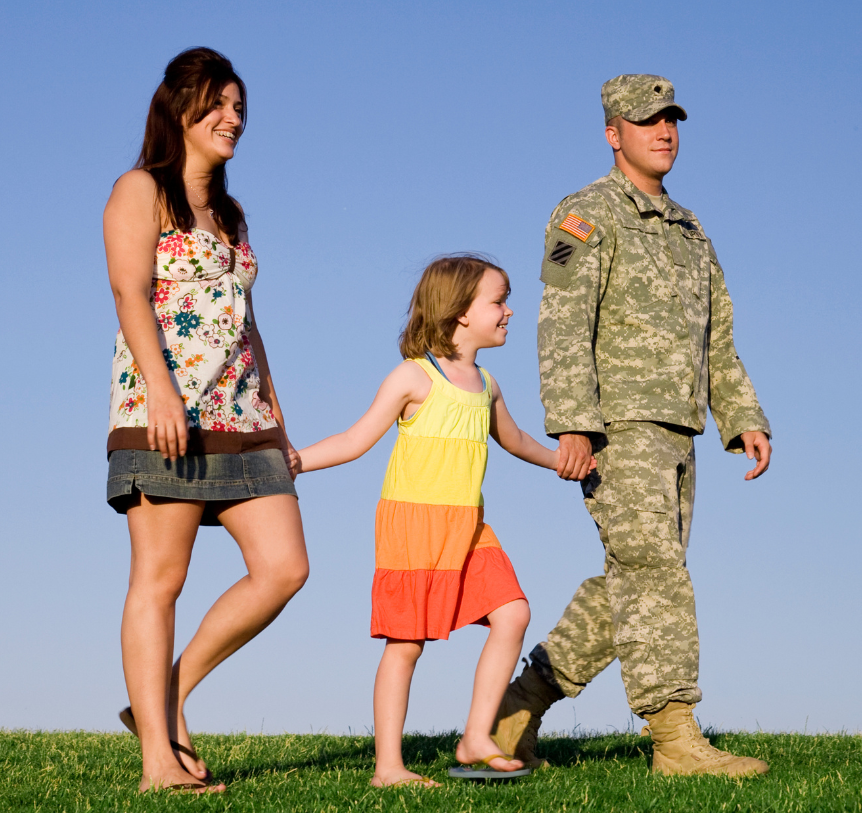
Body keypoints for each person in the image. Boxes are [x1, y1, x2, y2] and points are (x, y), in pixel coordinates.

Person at [491, 74, 774, 777]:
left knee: (638, 578)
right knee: (654, 574)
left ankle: (515, 708)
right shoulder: (583, 214)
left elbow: (719, 336)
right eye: (646, 120)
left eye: (671, 119)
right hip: (618, 424)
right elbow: (560, 322)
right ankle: (674, 734)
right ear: (613, 132)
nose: (664, 131)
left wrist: (741, 417)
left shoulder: (689, 228)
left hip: (679, 427)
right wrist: (573, 423)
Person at [103, 47, 308, 794]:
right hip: (165, 410)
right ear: (179, 109)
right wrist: (160, 391)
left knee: (285, 567)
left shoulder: (228, 212)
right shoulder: (138, 191)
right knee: (161, 578)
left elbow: (245, 319)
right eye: (219, 104)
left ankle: (163, 694)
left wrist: (279, 421)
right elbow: (130, 295)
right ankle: (159, 760)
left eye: (239, 107)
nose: (233, 118)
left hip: (243, 413)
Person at [294, 255, 577, 787]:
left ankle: (475, 736)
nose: (509, 311)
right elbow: (354, 441)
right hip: (414, 526)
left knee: (513, 613)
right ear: (460, 312)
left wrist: (560, 459)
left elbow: (513, 442)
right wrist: (294, 461)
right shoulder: (413, 378)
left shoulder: (487, 385)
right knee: (406, 645)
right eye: (499, 300)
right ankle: (388, 768)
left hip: (468, 527)